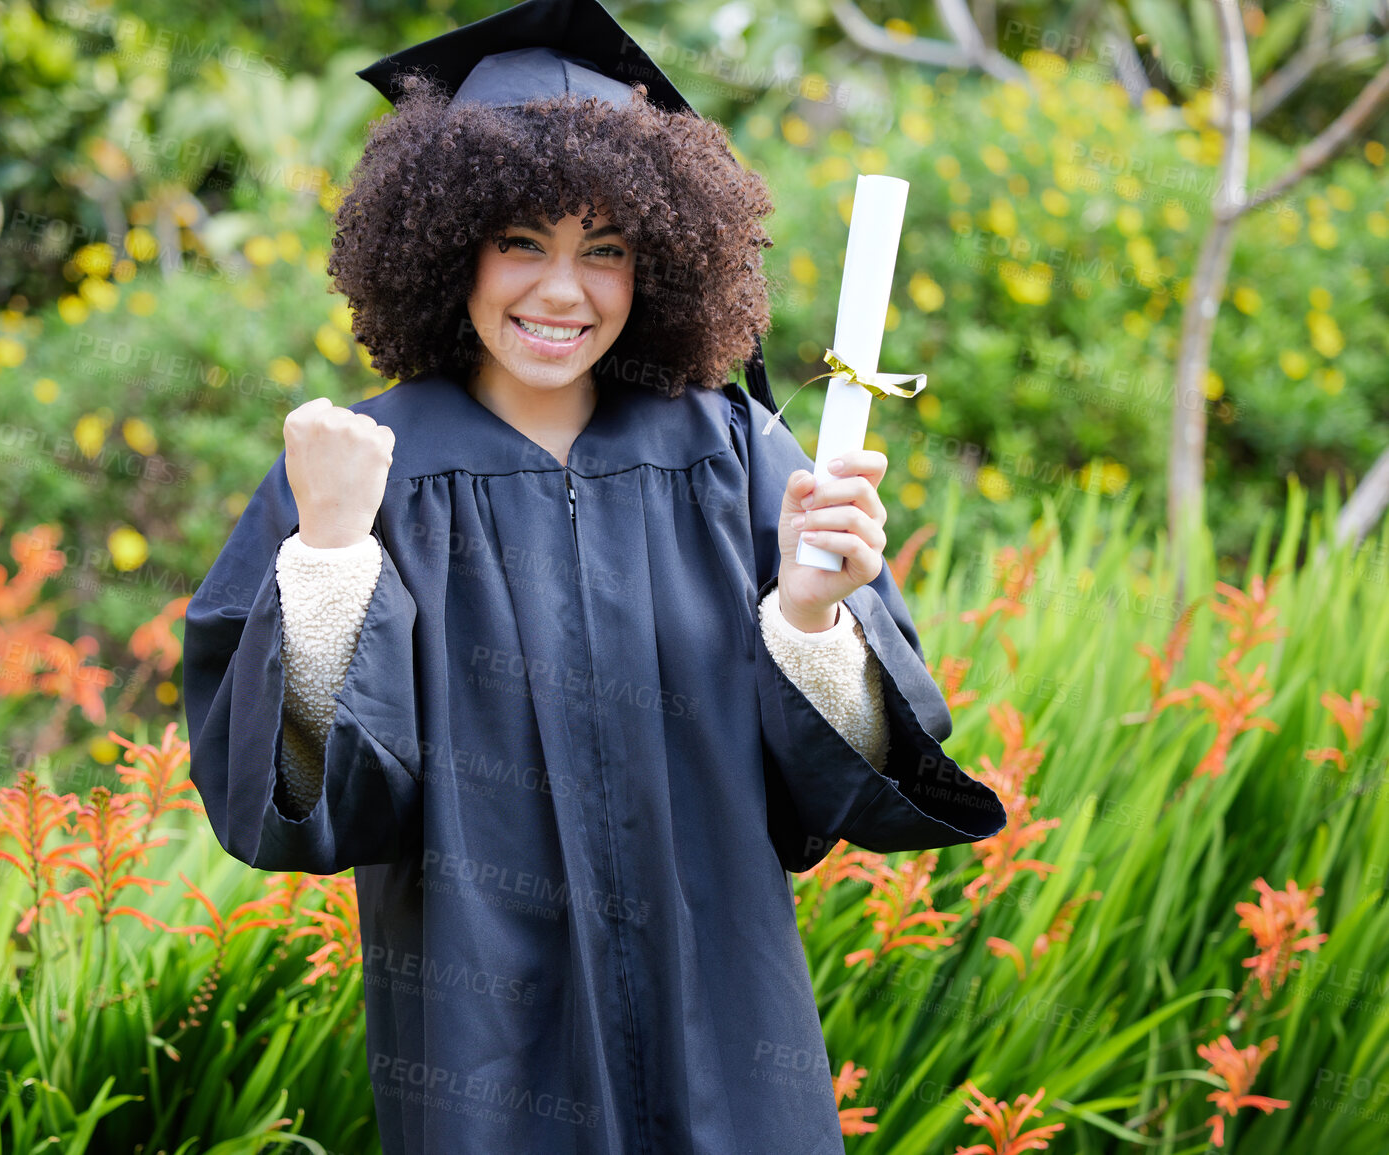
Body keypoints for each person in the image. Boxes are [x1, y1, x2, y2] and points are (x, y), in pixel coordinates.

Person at [182, 1, 1007, 1151]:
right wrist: (326, 559)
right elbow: (300, 811)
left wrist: (813, 621)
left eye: (605, 250)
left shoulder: (730, 456)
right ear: (442, 241)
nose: (563, 293)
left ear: (660, 263)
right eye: (522, 241)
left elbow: (848, 792)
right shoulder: (364, 472)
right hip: (488, 1065)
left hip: (729, 1044)